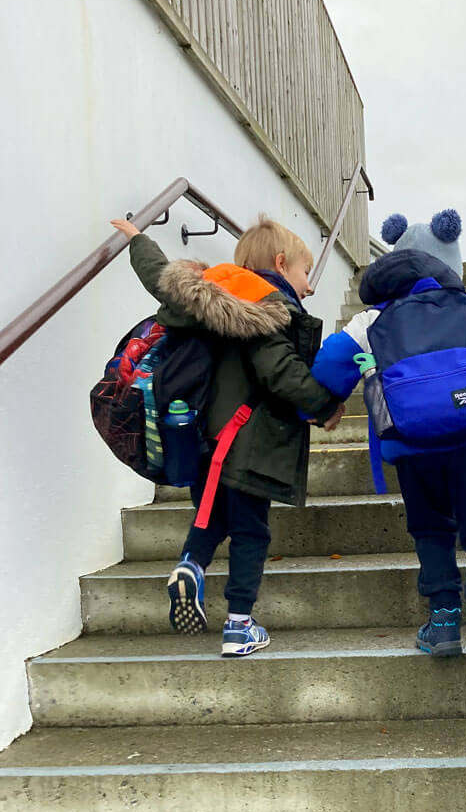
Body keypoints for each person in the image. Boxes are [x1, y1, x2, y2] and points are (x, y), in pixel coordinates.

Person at [309, 209, 466, 693]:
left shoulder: (372, 320)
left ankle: (443, 622)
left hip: (412, 448)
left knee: (430, 530)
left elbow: (325, 369)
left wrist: (322, 402)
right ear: (451, 260)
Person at [110, 214, 344, 656]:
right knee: (252, 531)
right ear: (280, 262)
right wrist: (326, 404)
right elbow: (280, 372)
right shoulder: (264, 309)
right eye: (305, 273)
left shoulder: (207, 296)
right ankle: (239, 625)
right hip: (247, 442)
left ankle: (191, 565)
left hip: (197, 438)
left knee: (212, 516)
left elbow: (161, 278)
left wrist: (139, 239)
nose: (309, 286)